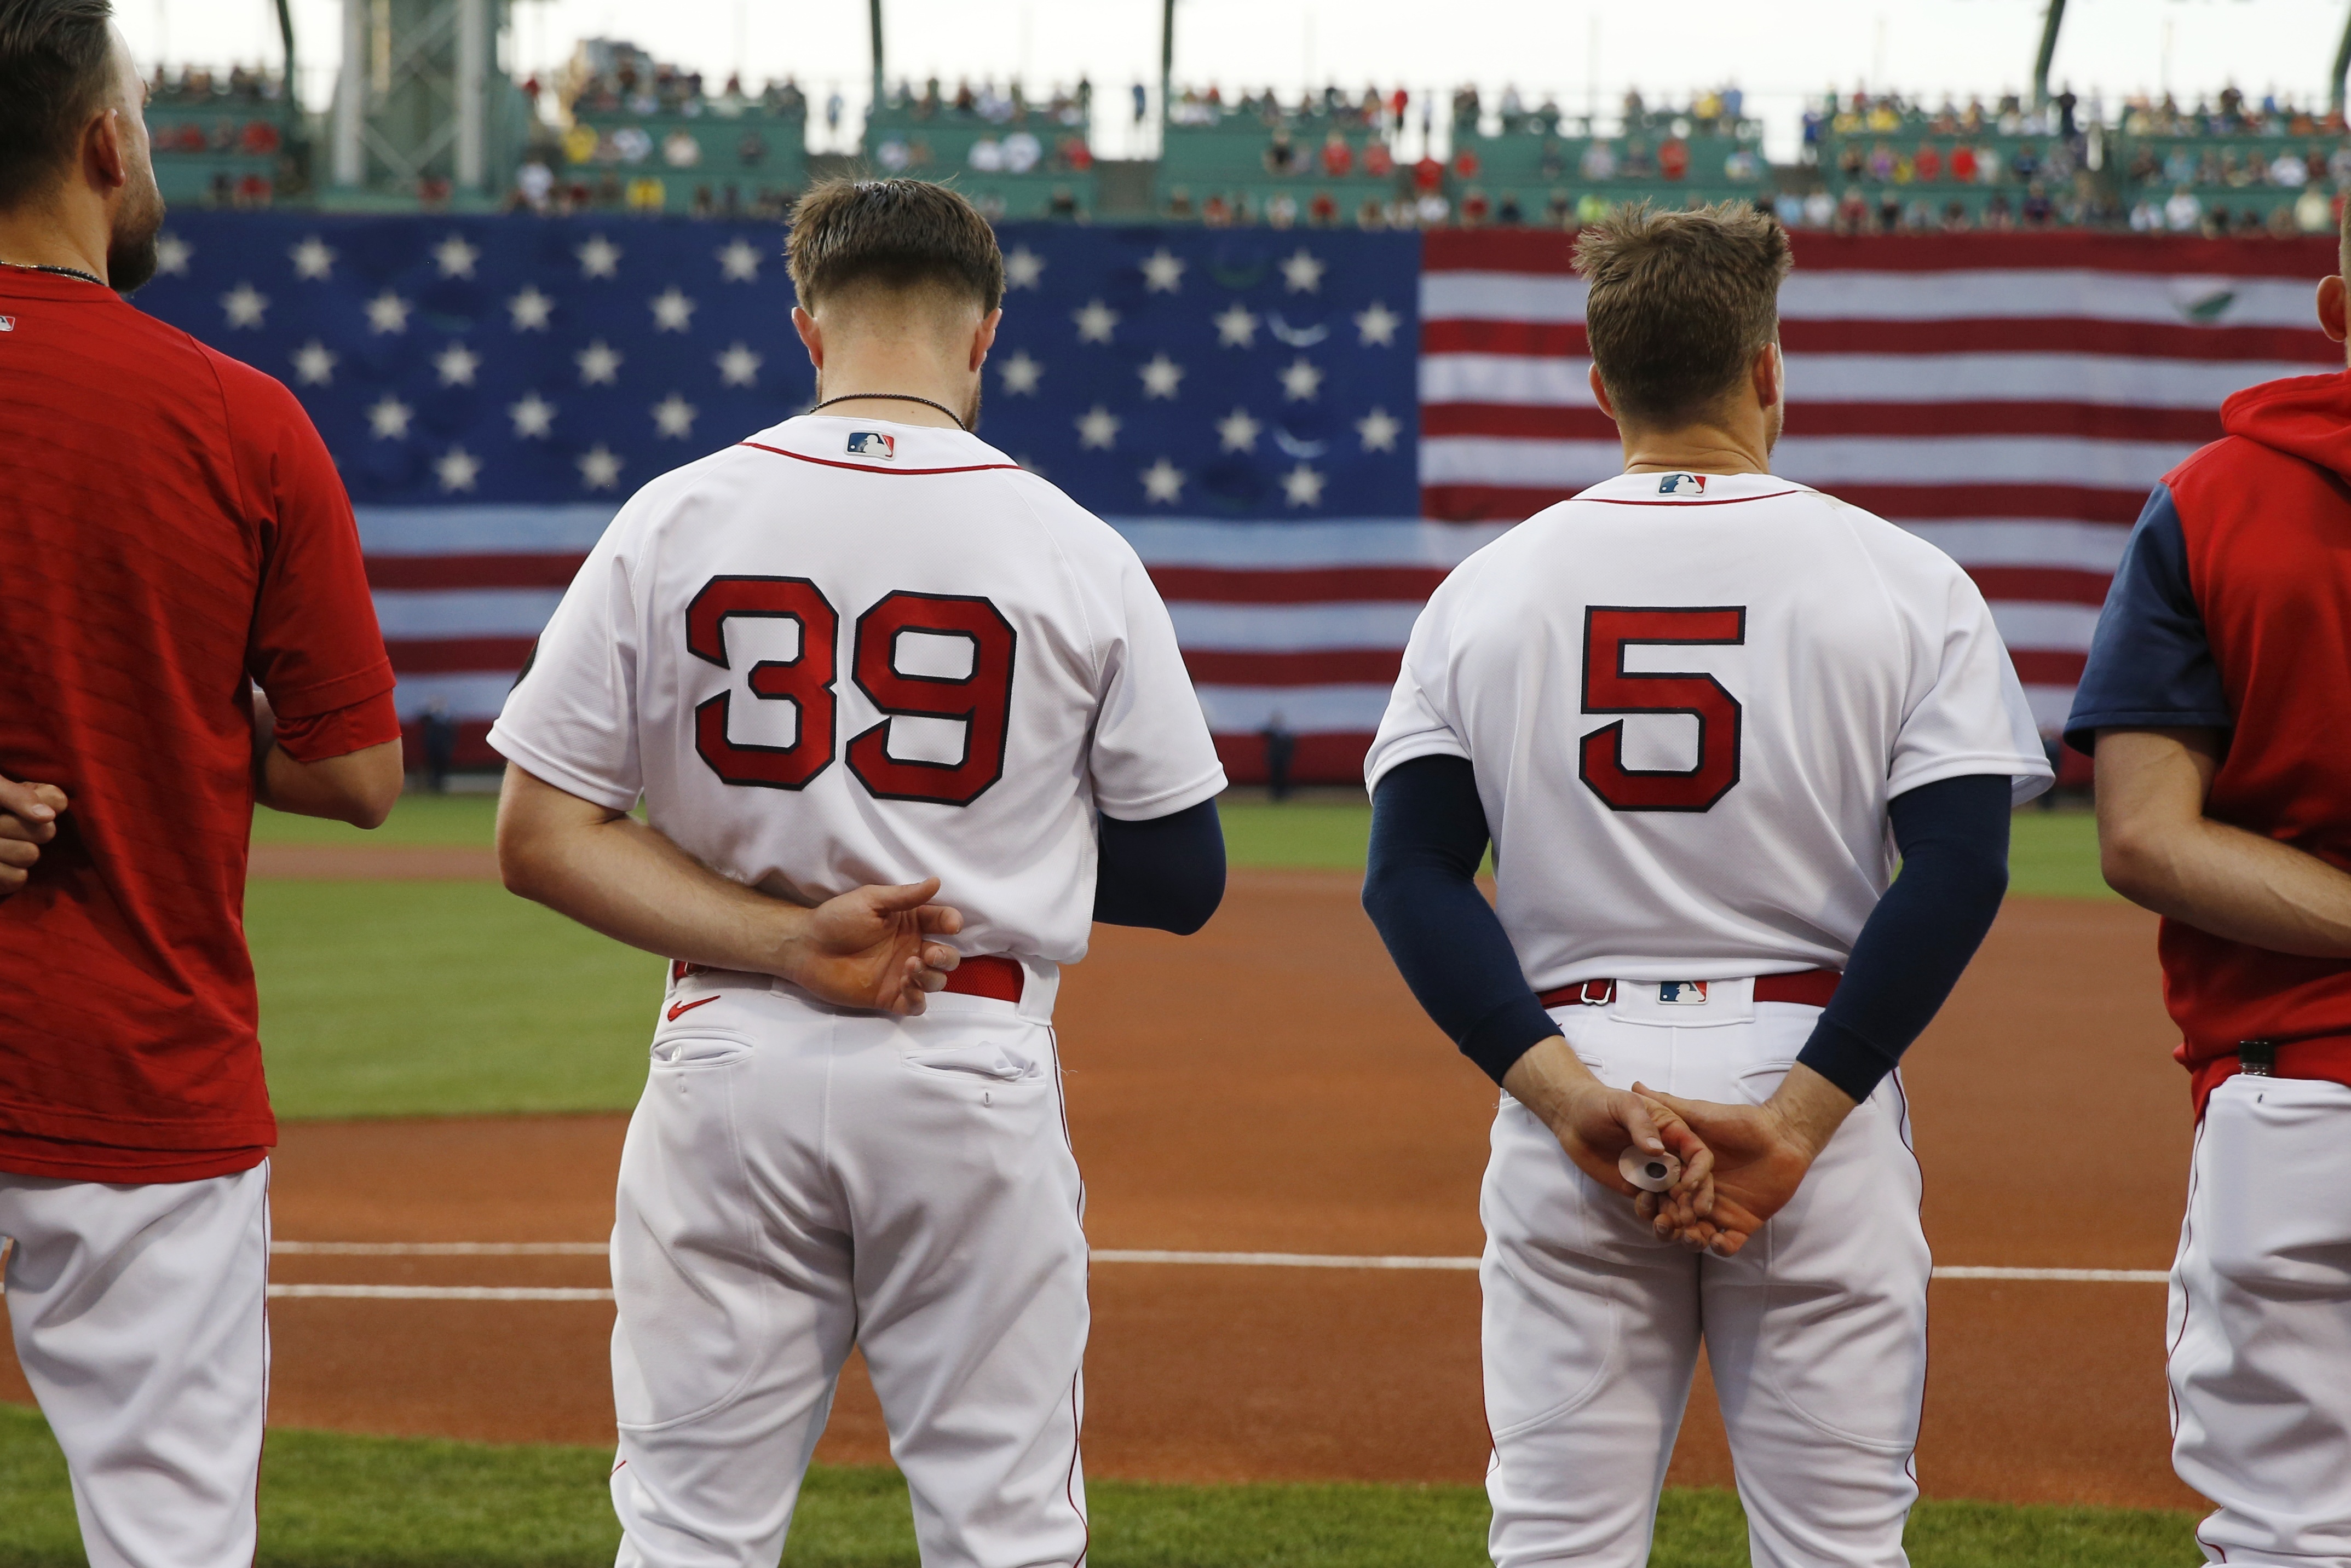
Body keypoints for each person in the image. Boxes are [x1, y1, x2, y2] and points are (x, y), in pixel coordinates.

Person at [489, 177, 1229, 1568]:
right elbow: (1185, 873)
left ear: (806, 330)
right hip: (967, 1047)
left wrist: (783, 938)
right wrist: (989, 857)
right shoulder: (1075, 545)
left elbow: (538, 833)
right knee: (1002, 1530)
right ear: (985, 338)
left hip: (728, 1048)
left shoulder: (675, 515)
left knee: (688, 1531)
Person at [1358, 201, 2050, 1567]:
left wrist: (1563, 1097)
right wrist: (1793, 1119)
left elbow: (1409, 876)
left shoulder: (1484, 589)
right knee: (1836, 1545)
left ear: (1601, 381)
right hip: (1812, 1078)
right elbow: (1959, 869)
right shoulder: (1906, 580)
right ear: (1767, 368)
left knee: (1556, 1543)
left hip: (1580, 1076)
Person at [0, 4, 405, 1564]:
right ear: (105, 145)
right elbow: (363, 772)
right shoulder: (240, 419)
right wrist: (167, 703)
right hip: (136, 1078)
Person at [2066, 205, 2351, 1566]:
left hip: (2293, 1093)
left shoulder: (2208, 501)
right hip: (2288, 1095)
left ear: (2331, 307)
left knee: (2289, 1535)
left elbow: (2141, 834)